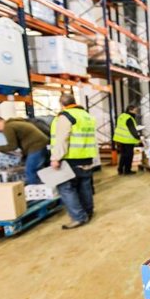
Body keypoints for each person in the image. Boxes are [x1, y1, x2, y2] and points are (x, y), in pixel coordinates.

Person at [50, 93, 97, 230]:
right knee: (85, 185)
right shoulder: (86, 116)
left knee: (66, 188)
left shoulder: (66, 116)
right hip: (87, 157)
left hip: (71, 159)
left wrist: (55, 158)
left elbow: (61, 139)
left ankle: (78, 217)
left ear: (62, 104)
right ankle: (88, 212)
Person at [0, 116, 49, 185]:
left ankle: (36, 191)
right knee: (37, 170)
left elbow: (12, 146)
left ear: (0, 120)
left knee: (30, 171)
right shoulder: (14, 123)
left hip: (36, 146)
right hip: (41, 144)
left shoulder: (8, 127)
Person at [113, 105, 142, 175]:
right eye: (135, 110)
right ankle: (127, 170)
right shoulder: (129, 118)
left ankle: (120, 169)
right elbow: (132, 130)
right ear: (130, 110)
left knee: (123, 155)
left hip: (120, 139)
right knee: (129, 156)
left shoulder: (122, 116)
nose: (136, 112)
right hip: (128, 140)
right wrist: (138, 137)